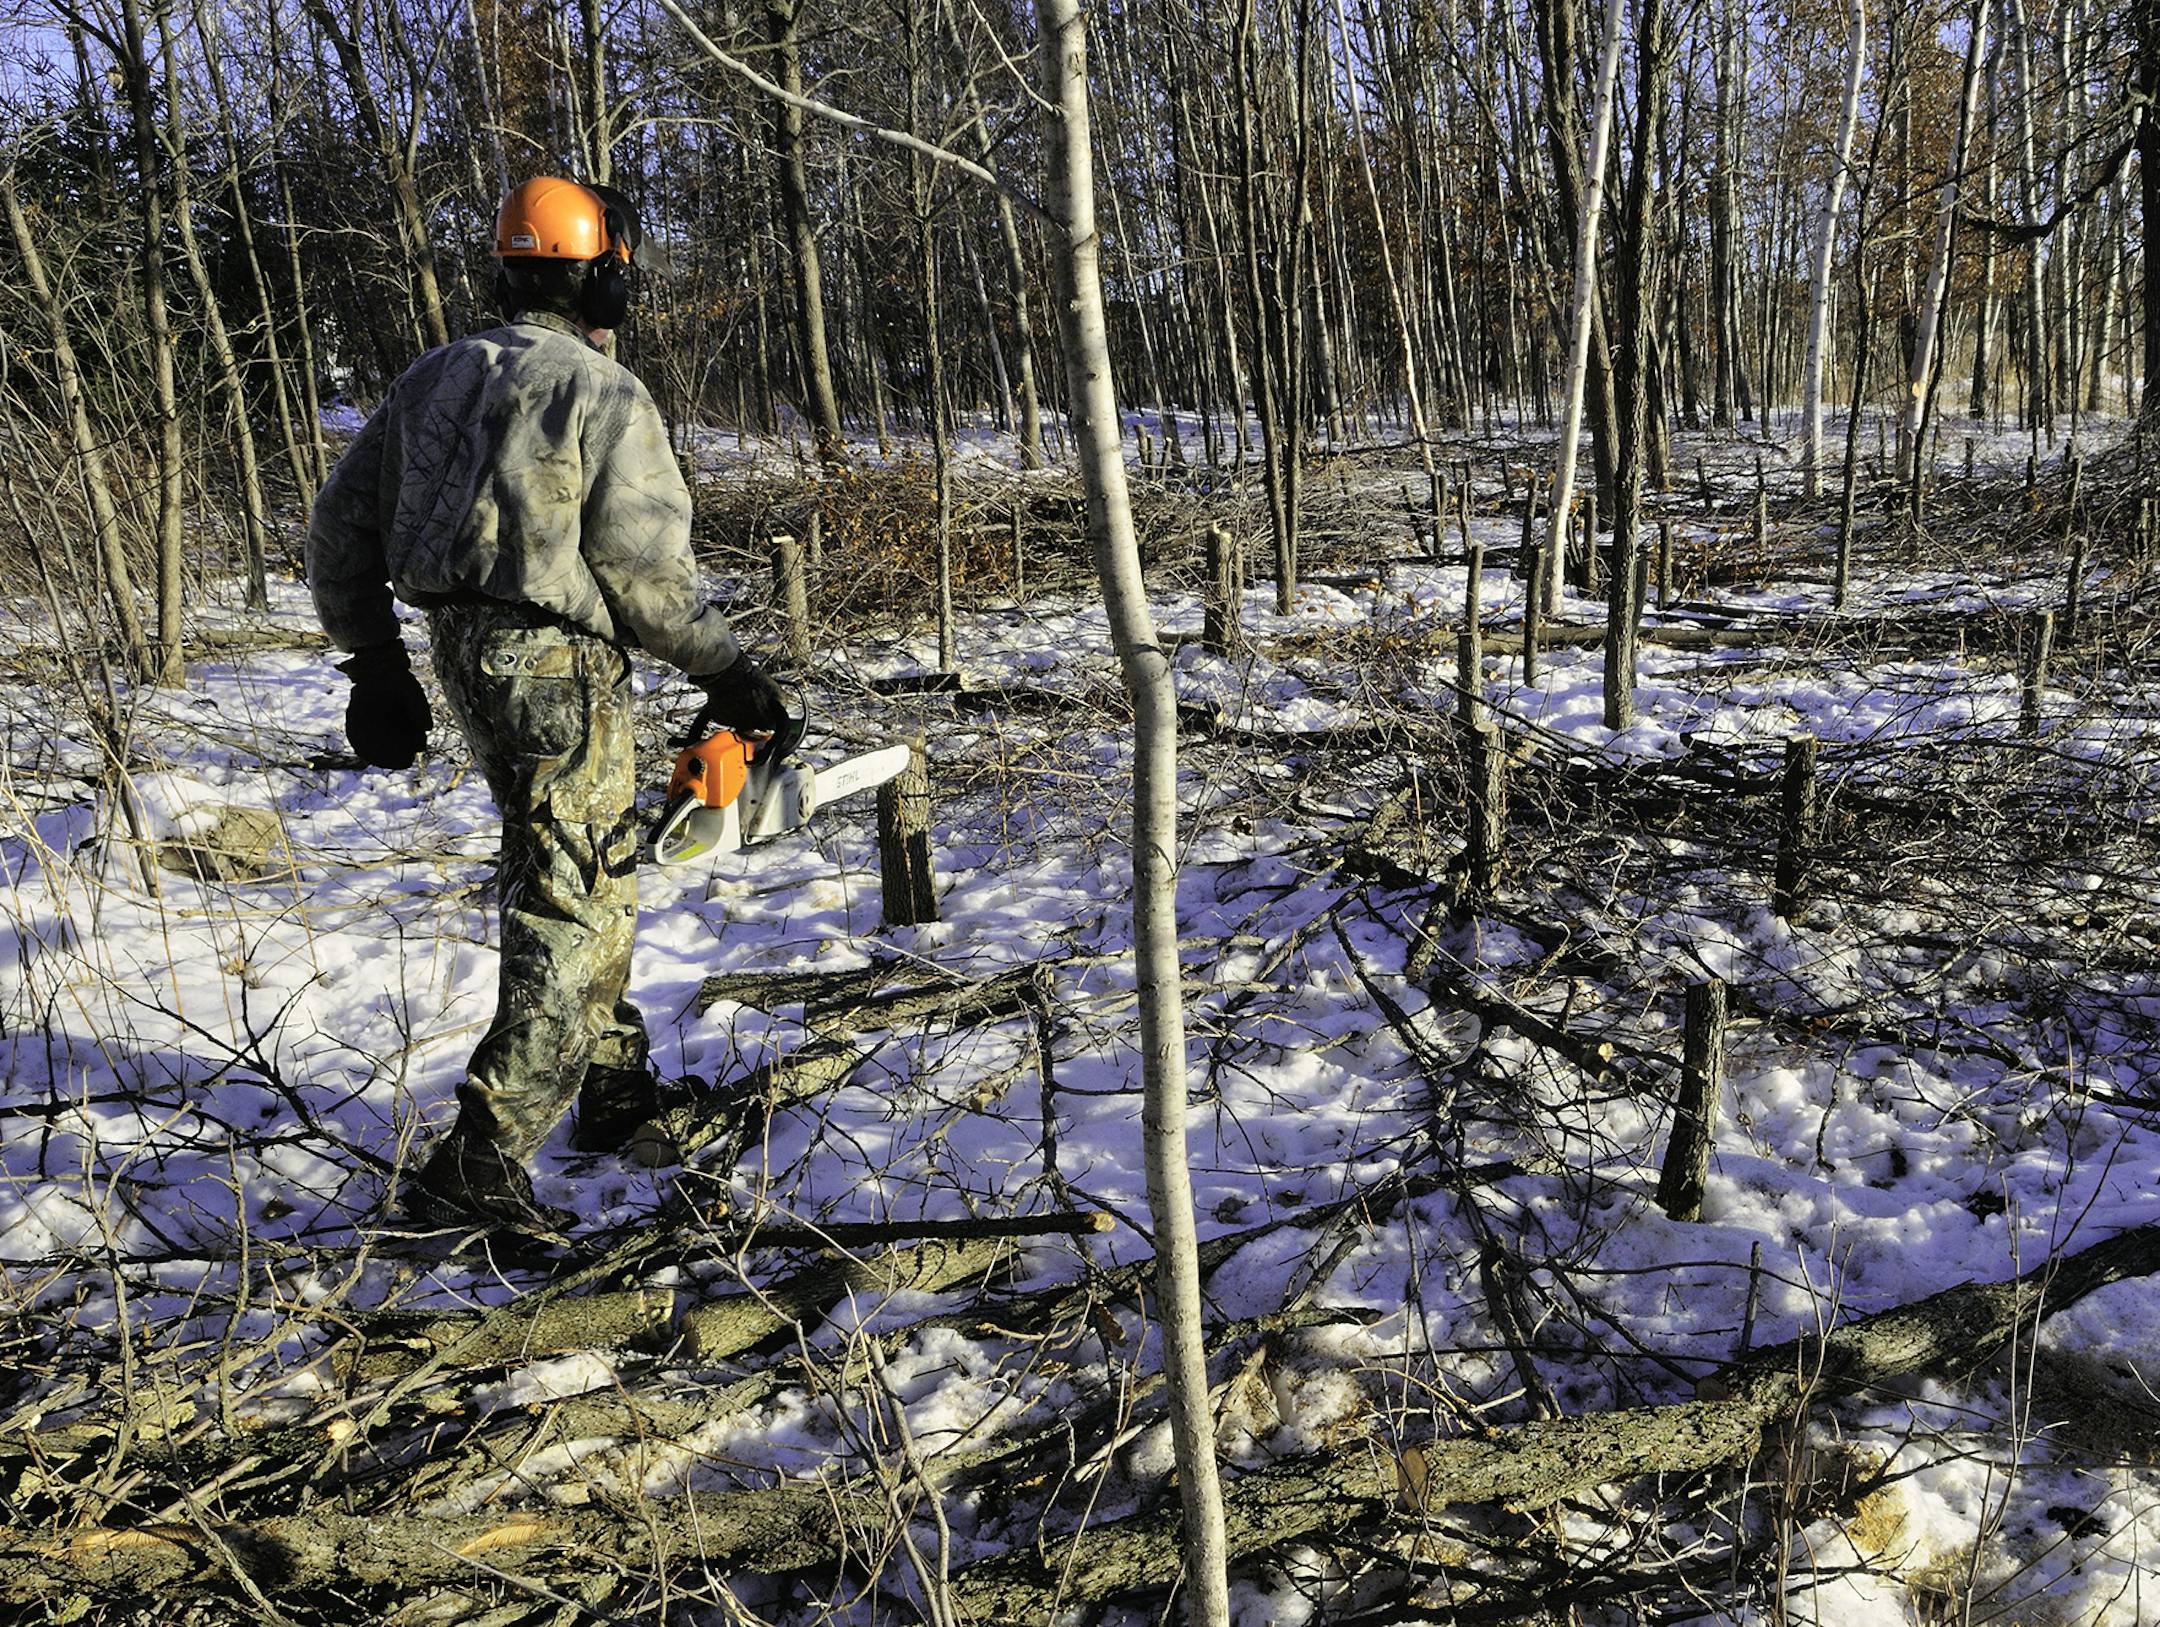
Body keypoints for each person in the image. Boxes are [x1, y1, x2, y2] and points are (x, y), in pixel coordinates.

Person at [307, 176, 789, 1236]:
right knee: (573, 892)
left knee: (578, 860)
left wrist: (380, 664)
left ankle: (612, 1088)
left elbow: (337, 530)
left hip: (465, 654)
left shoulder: (429, 379)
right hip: (558, 664)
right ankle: (482, 1153)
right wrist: (730, 673)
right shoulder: (600, 391)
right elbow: (646, 576)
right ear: (598, 271)